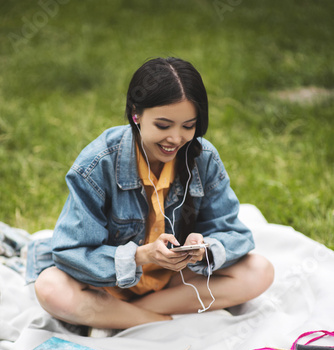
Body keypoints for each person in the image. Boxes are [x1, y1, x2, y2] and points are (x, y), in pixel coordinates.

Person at [32, 57, 274, 331]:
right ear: (136, 114)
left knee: (260, 271)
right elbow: (70, 253)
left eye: (188, 126)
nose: (175, 138)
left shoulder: (202, 157)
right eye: (163, 125)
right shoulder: (97, 163)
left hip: (171, 281)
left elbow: (234, 234)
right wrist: (141, 255)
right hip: (107, 284)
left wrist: (203, 248)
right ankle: (159, 324)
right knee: (51, 288)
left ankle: (129, 316)